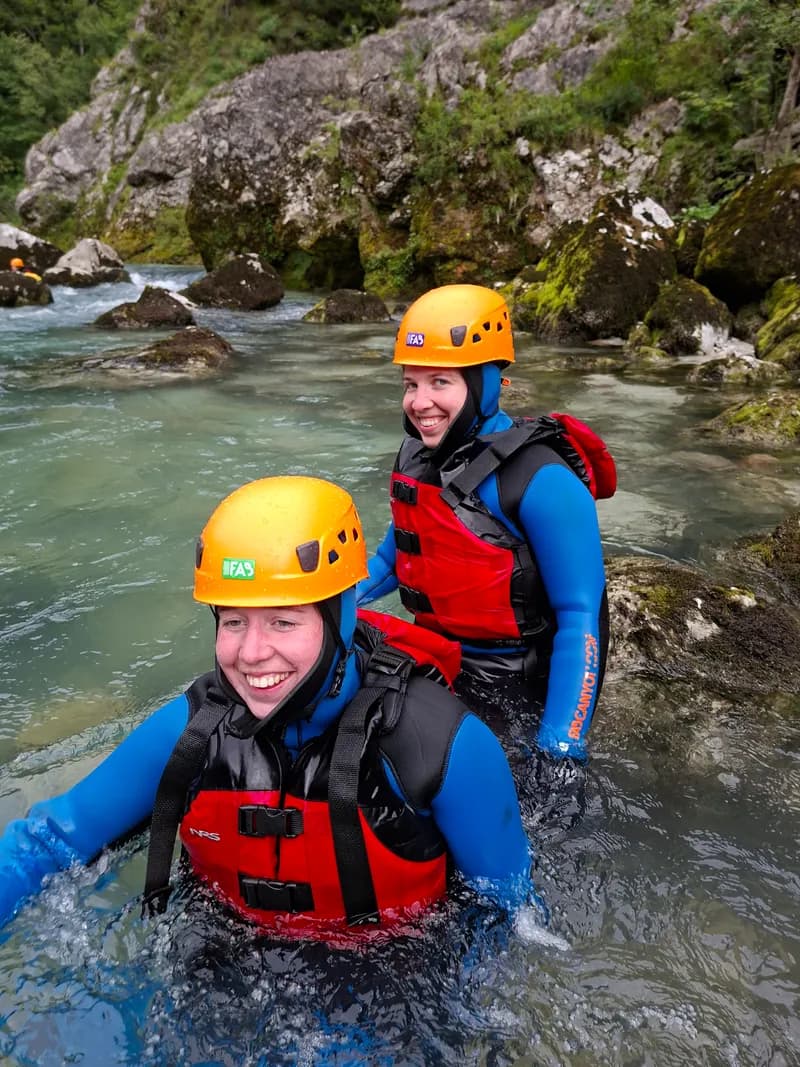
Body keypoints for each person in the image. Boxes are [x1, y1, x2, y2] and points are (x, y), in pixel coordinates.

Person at [0, 475, 535, 938]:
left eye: (283, 621)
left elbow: (508, 916)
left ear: (340, 619)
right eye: (233, 621)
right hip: (221, 955)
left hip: (392, 979)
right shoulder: (191, 731)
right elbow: (48, 843)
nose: (251, 654)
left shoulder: (442, 746)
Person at [357, 284, 611, 785]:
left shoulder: (540, 479)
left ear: (487, 382)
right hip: (435, 657)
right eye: (411, 384)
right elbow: (392, 559)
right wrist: (316, 608)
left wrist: (562, 745)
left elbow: (582, 616)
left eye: (440, 383)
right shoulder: (417, 457)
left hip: (511, 682)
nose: (419, 402)